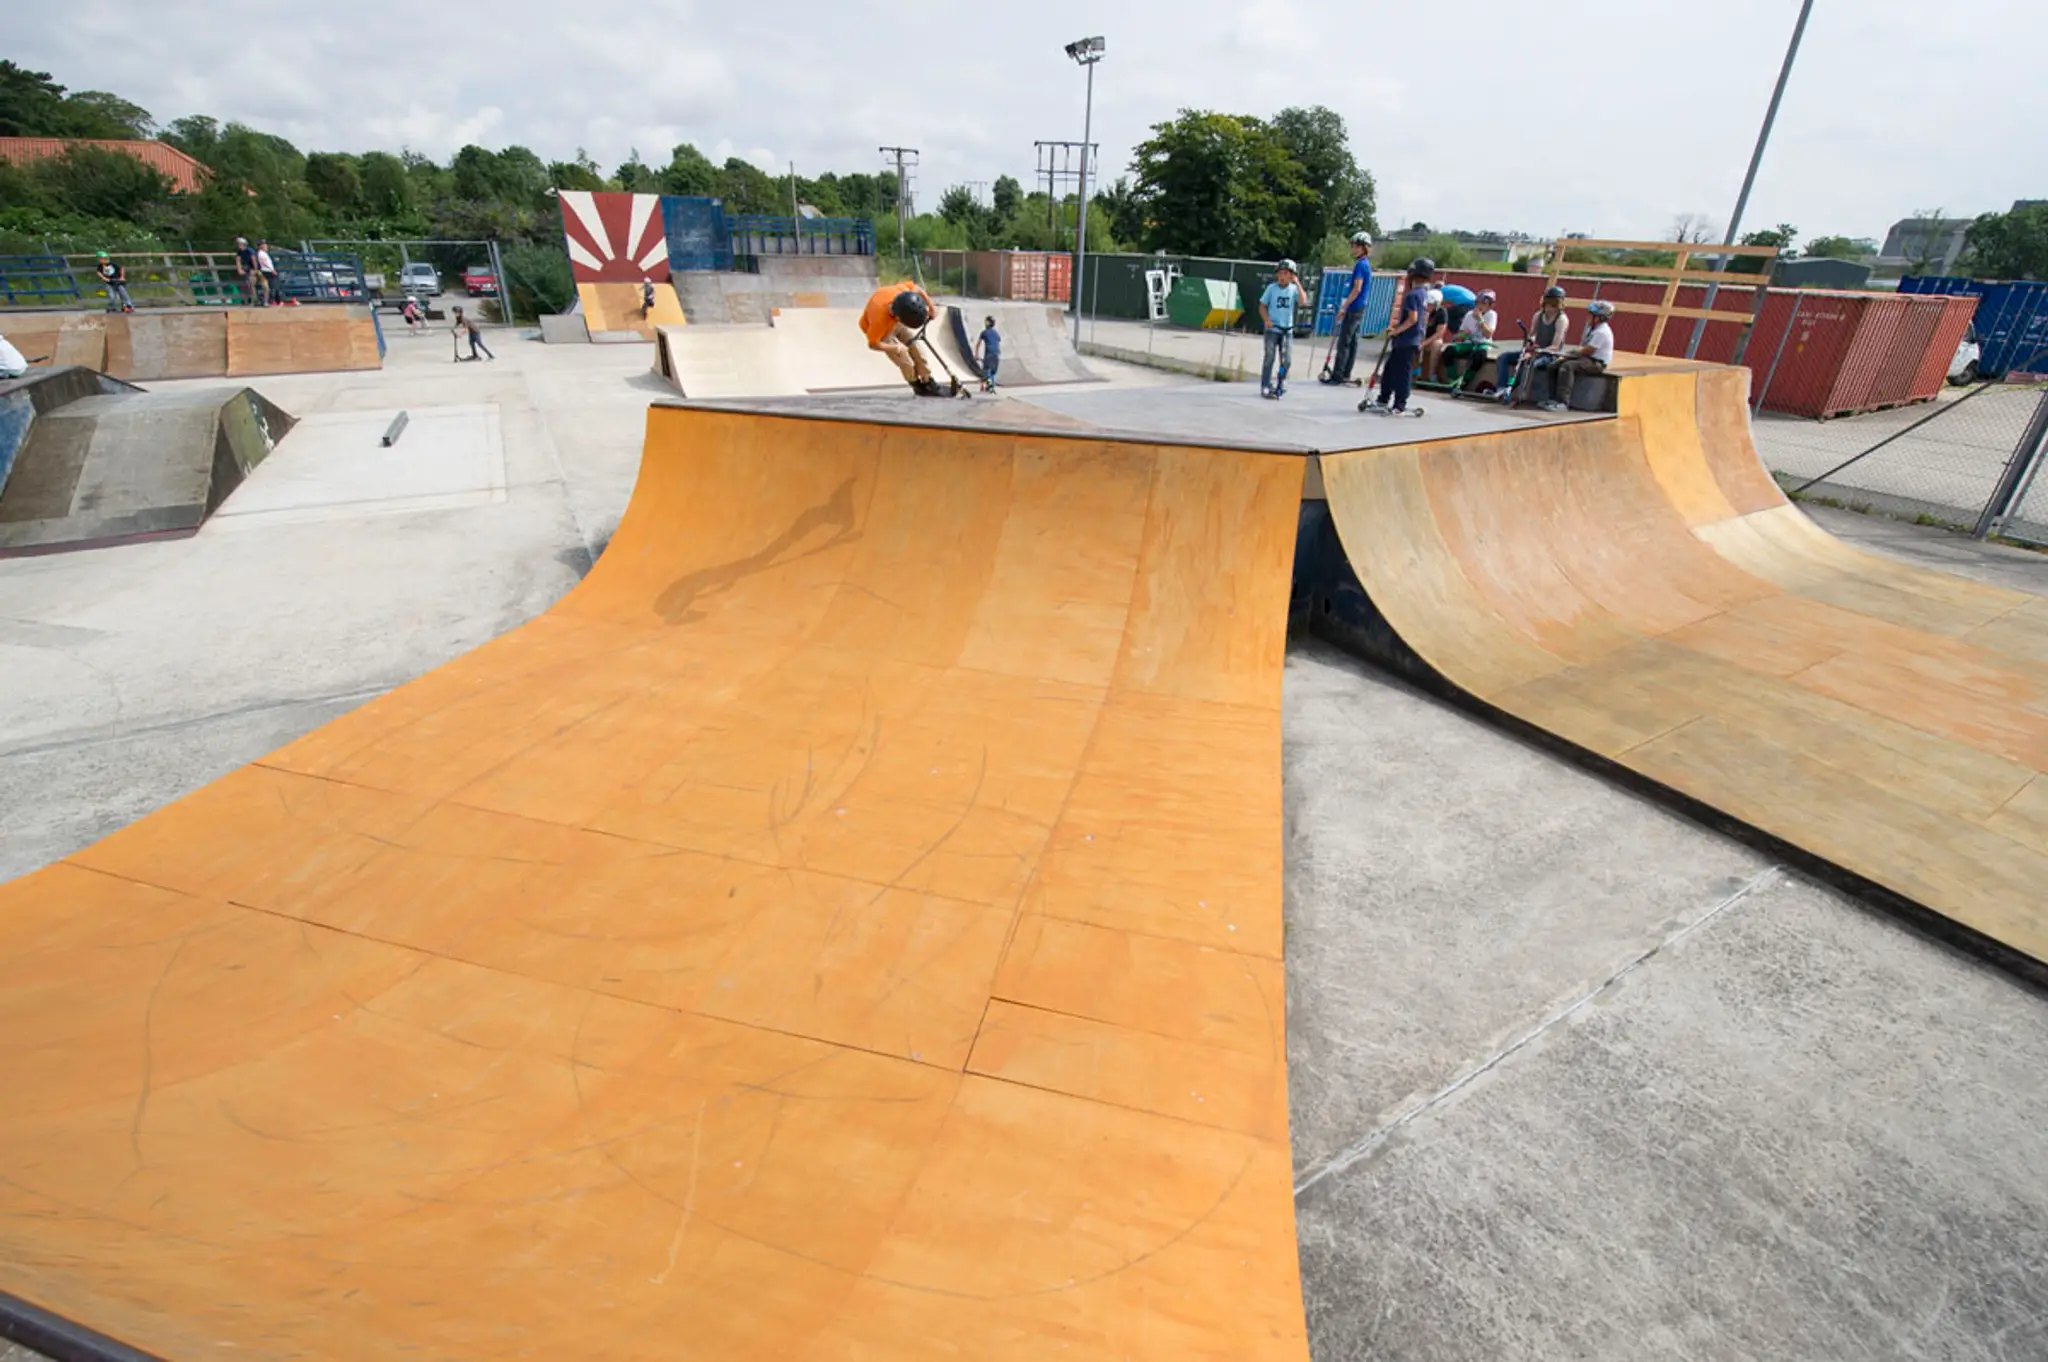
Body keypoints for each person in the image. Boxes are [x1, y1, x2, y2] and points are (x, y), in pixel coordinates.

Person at [1362, 257, 1435, 416]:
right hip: (1409, 340)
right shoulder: (1423, 294)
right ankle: (1383, 398)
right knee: (1390, 370)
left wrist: (1396, 331)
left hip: (1406, 341)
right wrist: (1396, 327)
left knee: (1402, 373)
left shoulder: (1412, 295)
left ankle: (1399, 405)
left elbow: (1412, 319)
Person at [859, 280, 942, 394]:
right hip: (881, 333)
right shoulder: (878, 322)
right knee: (905, 361)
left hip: (895, 320)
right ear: (899, 317)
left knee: (918, 350)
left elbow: (917, 288)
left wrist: (931, 307)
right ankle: (916, 385)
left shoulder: (902, 293)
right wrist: (896, 348)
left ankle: (928, 380)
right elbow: (873, 344)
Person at [1501, 286, 1574, 405]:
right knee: (1505, 357)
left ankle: (1521, 395)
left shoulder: (1562, 319)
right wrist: (1530, 344)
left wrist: (1538, 351)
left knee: (1531, 365)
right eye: (1549, 302)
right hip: (1535, 350)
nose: (1550, 307)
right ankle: (1503, 388)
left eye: (1554, 303)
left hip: (1550, 354)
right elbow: (1532, 335)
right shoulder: (1538, 315)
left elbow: (1555, 346)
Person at [1542, 299, 1615, 411]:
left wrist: (1569, 353)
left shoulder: (1602, 332)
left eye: (1591, 315)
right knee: (1553, 365)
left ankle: (1563, 403)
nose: (1588, 317)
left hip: (1597, 362)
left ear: (1599, 318)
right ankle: (1553, 399)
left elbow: (1587, 351)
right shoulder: (1591, 329)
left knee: (1567, 366)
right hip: (1586, 358)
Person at [1322, 231, 1373, 385]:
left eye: (1357, 246)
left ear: (1364, 248)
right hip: (1361, 307)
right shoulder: (1366, 265)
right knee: (1353, 342)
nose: (1354, 249)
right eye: (1353, 246)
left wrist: (1344, 307)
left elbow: (1357, 288)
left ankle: (1338, 375)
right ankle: (1346, 373)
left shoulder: (1360, 265)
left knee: (1344, 341)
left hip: (1354, 307)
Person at [1258, 258, 1308, 399]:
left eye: (1285, 273)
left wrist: (1297, 283)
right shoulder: (1271, 289)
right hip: (1273, 330)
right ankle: (1265, 385)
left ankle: (1281, 382)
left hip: (1287, 330)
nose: (1281, 277)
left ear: (1291, 275)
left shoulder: (1293, 290)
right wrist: (1266, 320)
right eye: (1279, 273)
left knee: (1286, 360)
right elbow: (1262, 306)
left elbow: (1303, 301)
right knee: (1269, 357)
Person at [1441, 287, 1498, 389]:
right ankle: (1453, 378)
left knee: (1479, 355)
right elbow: (1462, 333)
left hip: (1483, 343)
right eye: (1479, 303)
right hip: (1469, 342)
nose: (1481, 306)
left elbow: (1488, 334)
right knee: (1449, 351)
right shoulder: (1469, 314)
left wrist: (1480, 320)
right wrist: (1462, 335)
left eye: (1484, 304)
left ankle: (1466, 380)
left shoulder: (1492, 315)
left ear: (1490, 306)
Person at [1416, 288, 1451, 383]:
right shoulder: (1421, 310)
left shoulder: (1442, 312)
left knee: (1437, 344)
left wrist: (1424, 343)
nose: (1428, 306)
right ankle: (1413, 373)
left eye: (1430, 305)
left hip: (1432, 339)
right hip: (1420, 337)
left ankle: (1432, 375)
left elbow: (1439, 333)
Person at [975, 315, 1001, 392]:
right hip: (996, 355)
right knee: (992, 371)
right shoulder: (996, 333)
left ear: (987, 323)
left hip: (989, 354)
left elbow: (978, 344)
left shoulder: (984, 332)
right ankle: (990, 386)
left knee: (986, 370)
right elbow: (998, 341)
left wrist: (976, 354)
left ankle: (987, 386)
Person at [234, 237, 257, 305]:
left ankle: (254, 300)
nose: (239, 246)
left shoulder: (249, 250)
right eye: (238, 244)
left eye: (240, 244)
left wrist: (255, 269)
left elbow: (254, 260)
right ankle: (247, 299)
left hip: (252, 268)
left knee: (251, 283)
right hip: (247, 268)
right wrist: (239, 269)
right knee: (247, 283)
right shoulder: (239, 251)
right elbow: (238, 260)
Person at [256, 241, 280, 306]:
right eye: (264, 245)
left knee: (268, 287)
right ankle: (274, 300)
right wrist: (271, 269)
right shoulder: (261, 253)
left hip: (267, 270)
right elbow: (263, 262)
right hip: (267, 271)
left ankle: (269, 300)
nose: (266, 246)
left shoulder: (264, 253)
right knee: (272, 286)